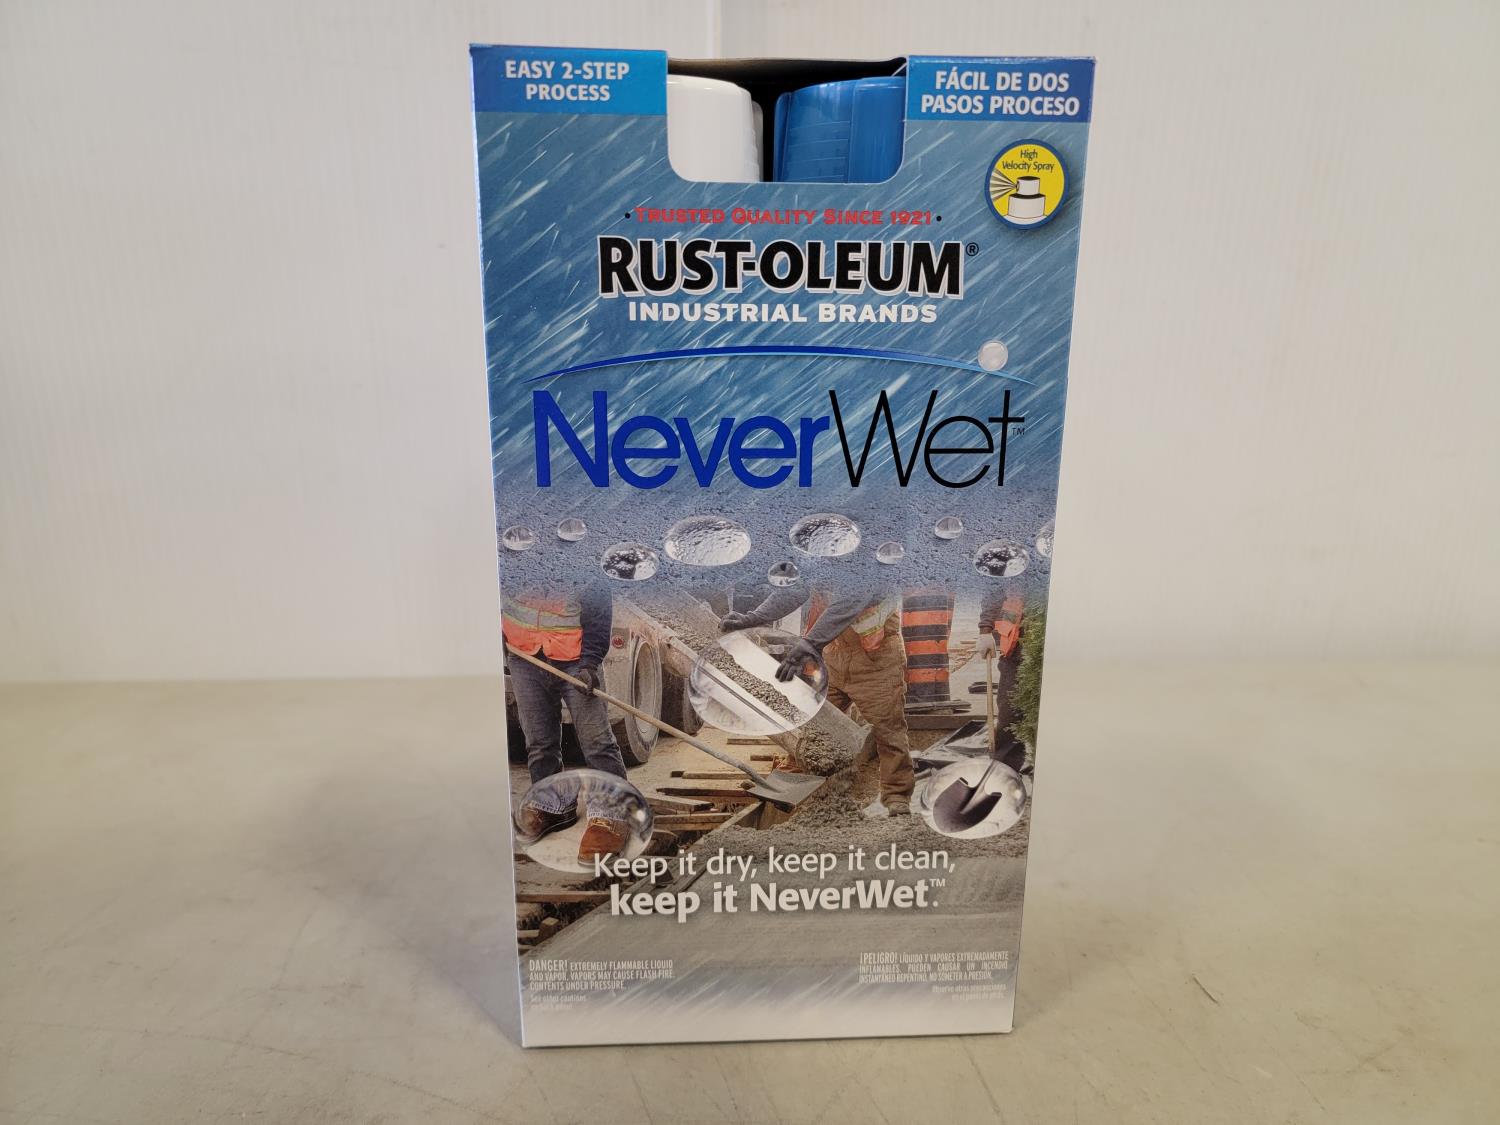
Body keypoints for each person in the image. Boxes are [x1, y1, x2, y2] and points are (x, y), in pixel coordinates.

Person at [723, 584, 915, 814]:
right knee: (812, 724)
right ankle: (798, 786)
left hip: (877, 656)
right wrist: (754, 618)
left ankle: (896, 794)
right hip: (834, 651)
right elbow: (795, 589)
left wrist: (809, 644)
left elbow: (850, 601)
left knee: (888, 728)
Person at [503, 583, 632, 862]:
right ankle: (551, 805)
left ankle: (612, 814)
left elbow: (599, 615)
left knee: (597, 743)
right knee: (539, 742)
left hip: (575, 661)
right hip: (524, 657)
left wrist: (589, 664)